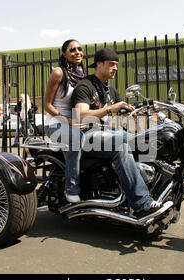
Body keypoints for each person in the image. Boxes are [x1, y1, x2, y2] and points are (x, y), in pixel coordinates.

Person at [72, 47, 167, 218]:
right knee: (119, 143)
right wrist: (110, 109)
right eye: (111, 64)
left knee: (143, 140)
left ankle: (152, 188)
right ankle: (142, 204)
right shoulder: (85, 86)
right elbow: (81, 115)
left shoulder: (110, 89)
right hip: (87, 136)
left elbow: (125, 110)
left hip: (107, 133)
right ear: (99, 64)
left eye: (116, 65)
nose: (115, 68)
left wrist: (145, 110)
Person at [44, 39, 86, 203]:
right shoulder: (58, 73)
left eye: (80, 49)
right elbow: (47, 105)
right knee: (76, 137)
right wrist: (69, 122)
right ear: (64, 54)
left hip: (76, 122)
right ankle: (72, 189)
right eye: (72, 49)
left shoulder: (81, 73)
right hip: (55, 123)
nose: (77, 52)